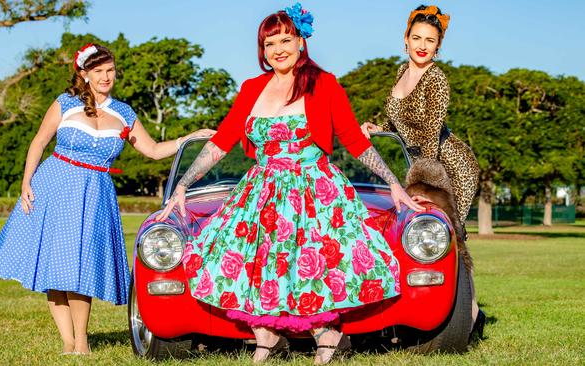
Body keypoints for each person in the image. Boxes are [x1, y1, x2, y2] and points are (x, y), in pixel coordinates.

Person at [158, 4, 423, 364]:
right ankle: (266, 336)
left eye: (285, 39)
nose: (278, 49)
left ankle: (326, 334)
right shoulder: (252, 87)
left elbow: (354, 140)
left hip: (313, 189)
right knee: (257, 261)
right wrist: (183, 184)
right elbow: (222, 141)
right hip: (262, 190)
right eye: (269, 43)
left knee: (312, 262)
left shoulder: (324, 83)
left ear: (301, 41)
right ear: (262, 50)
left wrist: (393, 183)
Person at [0, 43, 215, 355]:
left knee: (80, 267)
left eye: (110, 70)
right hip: (55, 183)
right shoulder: (65, 103)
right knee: (56, 267)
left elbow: (152, 150)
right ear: (84, 74)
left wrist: (187, 139)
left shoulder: (124, 113)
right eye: (98, 71)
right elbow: (39, 142)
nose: (106, 76)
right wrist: (27, 181)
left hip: (94, 192)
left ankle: (82, 340)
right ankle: (69, 343)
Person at [361, 5, 485, 340]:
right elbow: (398, 119)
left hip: (449, 167)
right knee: (427, 237)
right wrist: (379, 126)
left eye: (430, 40)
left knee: (450, 239)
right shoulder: (401, 71)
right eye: (416, 37)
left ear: (438, 46)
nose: (422, 45)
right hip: (420, 166)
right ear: (405, 39)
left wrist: (422, 185)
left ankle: (468, 316)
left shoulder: (437, 78)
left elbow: (430, 135)